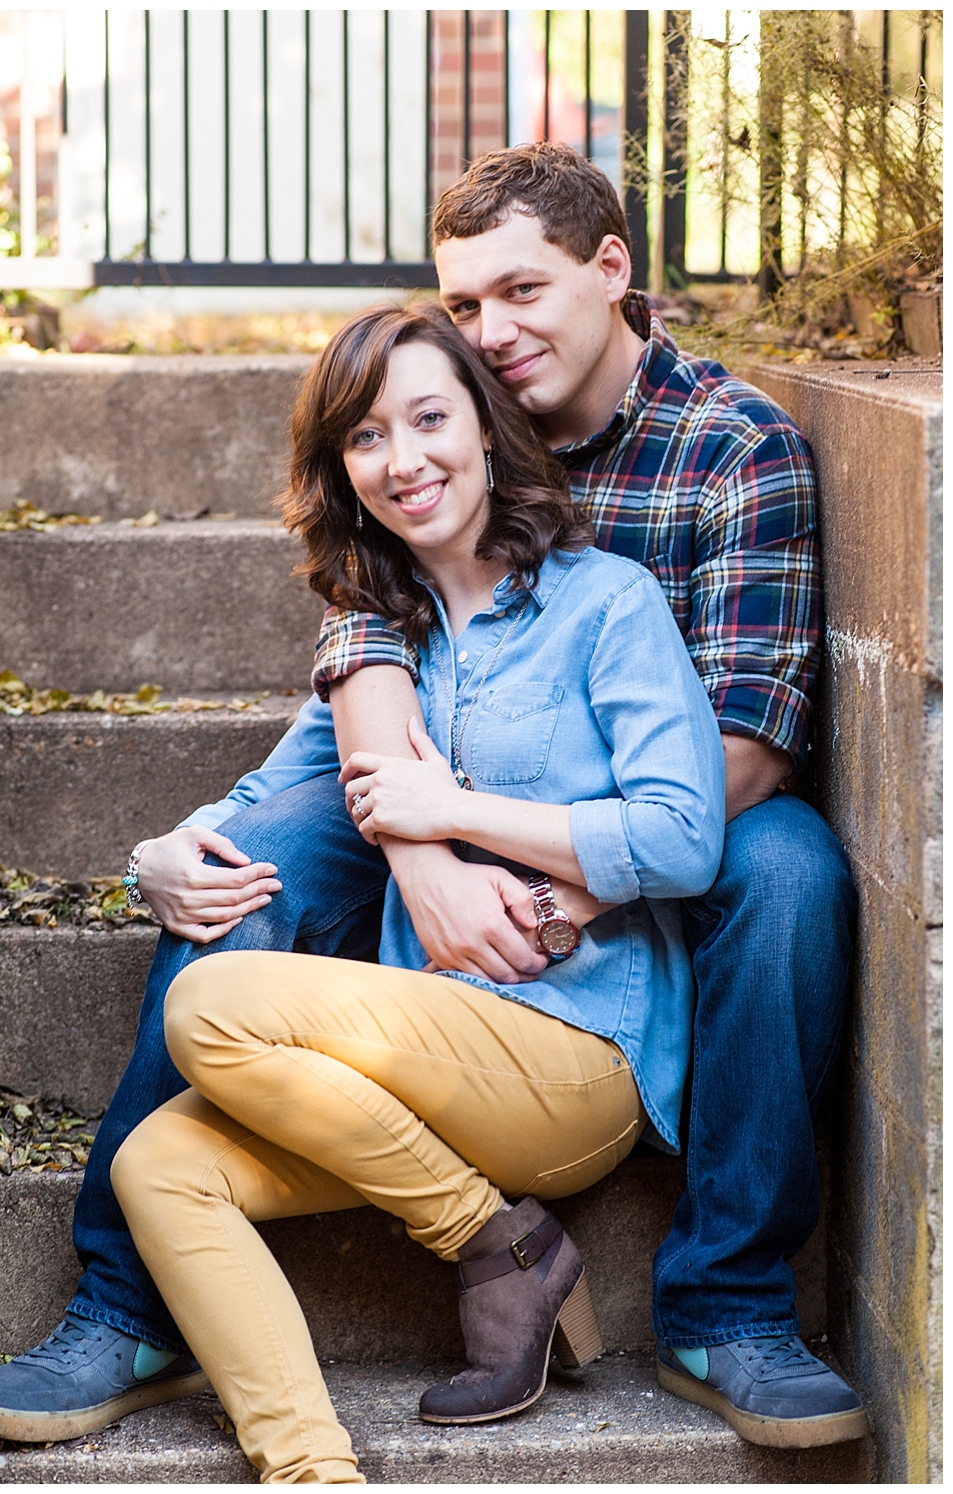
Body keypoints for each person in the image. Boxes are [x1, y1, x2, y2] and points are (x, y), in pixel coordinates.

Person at [0, 142, 864, 1451]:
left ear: (612, 271)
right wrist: (394, 850)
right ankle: (132, 1299)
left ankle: (729, 1303)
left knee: (787, 867)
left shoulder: (734, 453)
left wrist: (548, 872)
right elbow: (362, 635)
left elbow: (745, 744)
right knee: (256, 850)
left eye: (522, 293)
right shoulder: (430, 421)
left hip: (645, 804)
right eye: (466, 305)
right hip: (429, 781)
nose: (490, 334)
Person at [105, 300, 729, 1482]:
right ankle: (312, 1465)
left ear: (488, 431)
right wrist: (164, 852)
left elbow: (685, 834)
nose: (404, 461)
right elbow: (263, 796)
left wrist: (454, 813)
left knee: (211, 1009)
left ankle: (495, 1241)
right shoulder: (377, 645)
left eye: (429, 419)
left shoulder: (605, 604)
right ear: (340, 470)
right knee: (158, 1165)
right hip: (406, 1078)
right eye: (366, 438)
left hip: (574, 1050)